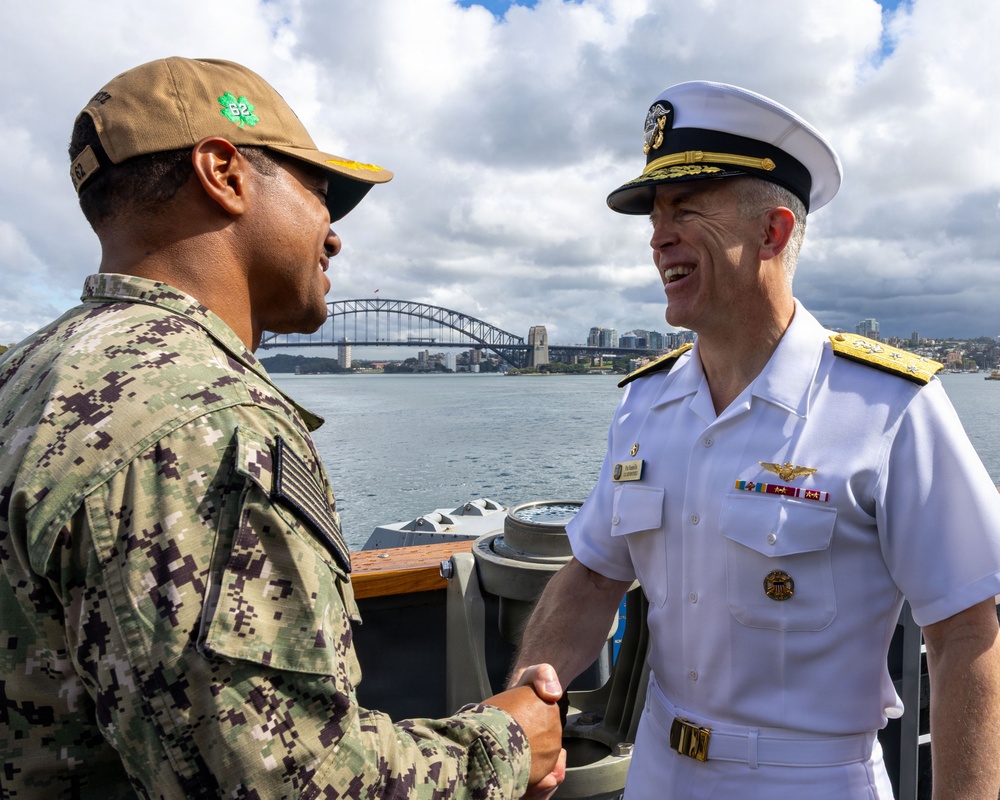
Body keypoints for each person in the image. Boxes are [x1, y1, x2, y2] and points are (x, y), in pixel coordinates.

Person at [0, 57, 564, 799]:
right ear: (224, 173)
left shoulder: (27, 373)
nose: (333, 239)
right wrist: (507, 743)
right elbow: (287, 781)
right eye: (321, 195)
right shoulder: (200, 421)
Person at [510, 80, 1000, 798]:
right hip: (658, 773)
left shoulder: (888, 406)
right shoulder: (646, 405)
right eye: (655, 215)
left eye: (686, 209)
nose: (657, 235)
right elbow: (592, 575)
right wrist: (527, 702)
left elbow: (965, 635)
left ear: (772, 232)